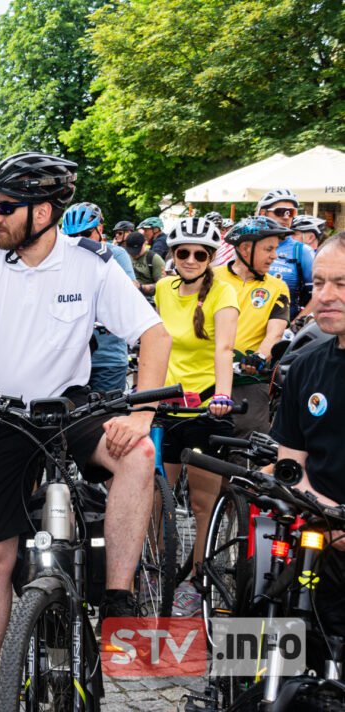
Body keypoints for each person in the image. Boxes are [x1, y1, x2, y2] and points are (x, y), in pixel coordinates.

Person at [0, 152, 171, 711]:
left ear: (41, 211)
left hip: (69, 411)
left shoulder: (92, 264)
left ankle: (118, 596)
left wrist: (141, 415)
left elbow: (154, 335)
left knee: (138, 452)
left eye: (3, 207)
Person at [152, 217, 239, 617]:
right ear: (172, 255)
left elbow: (225, 349)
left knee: (204, 504)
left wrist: (223, 394)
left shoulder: (224, 293)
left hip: (206, 406)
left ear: (209, 257)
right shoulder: (165, 290)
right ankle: (155, 569)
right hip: (168, 405)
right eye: (182, 252)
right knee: (156, 495)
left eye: (199, 254)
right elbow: (153, 341)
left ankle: (197, 579)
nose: (189, 259)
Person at [269, 233, 345, 646]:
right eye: (318, 283)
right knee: (260, 630)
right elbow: (290, 466)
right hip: (323, 538)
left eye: (342, 283)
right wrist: (328, 515)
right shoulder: (304, 366)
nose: (326, 296)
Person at [214, 217, 291, 442]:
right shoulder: (211, 277)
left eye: (275, 249)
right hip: (207, 378)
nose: (274, 256)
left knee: (250, 450)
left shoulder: (277, 286)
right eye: (269, 249)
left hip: (249, 380)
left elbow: (275, 332)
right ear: (245, 248)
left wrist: (258, 357)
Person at [59, 201, 138, 394]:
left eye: (86, 234)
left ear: (99, 229)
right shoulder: (62, 257)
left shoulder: (116, 254)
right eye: (72, 236)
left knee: (106, 419)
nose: (79, 241)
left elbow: (131, 290)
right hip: (70, 361)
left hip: (107, 357)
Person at [258, 189, 315, 321]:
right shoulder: (247, 247)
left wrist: (294, 328)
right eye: (280, 211)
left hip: (285, 331)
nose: (286, 216)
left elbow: (318, 295)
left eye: (291, 212)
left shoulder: (302, 251)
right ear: (263, 213)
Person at [126, 230, 165, 300]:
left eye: (137, 250)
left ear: (145, 243)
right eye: (131, 251)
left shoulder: (154, 258)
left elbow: (162, 285)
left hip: (148, 299)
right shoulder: (126, 256)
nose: (134, 254)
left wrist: (140, 288)